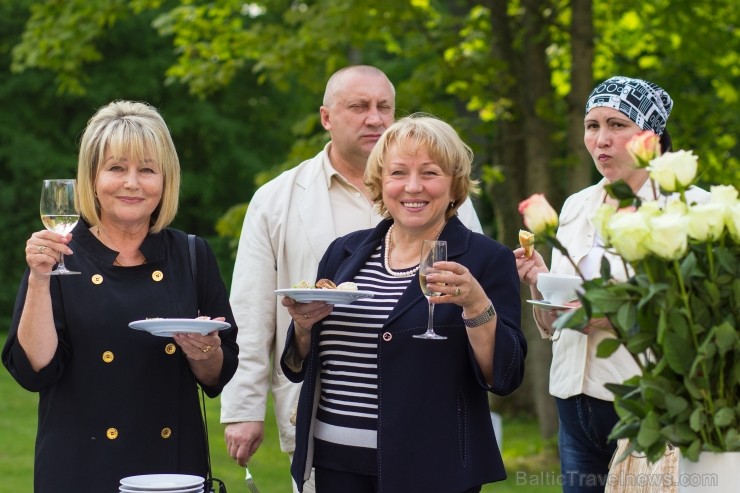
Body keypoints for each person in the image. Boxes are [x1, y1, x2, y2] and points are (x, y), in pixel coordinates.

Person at [220, 65, 483, 492]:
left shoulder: (441, 194)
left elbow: (475, 284)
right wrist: (243, 409)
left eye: (385, 107)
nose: (375, 118)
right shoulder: (276, 199)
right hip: (327, 416)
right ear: (326, 117)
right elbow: (250, 312)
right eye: (359, 107)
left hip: (427, 416)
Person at [279, 113, 526, 493]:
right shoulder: (343, 253)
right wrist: (303, 326)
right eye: (398, 173)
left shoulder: (485, 259)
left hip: (432, 469)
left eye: (430, 173)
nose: (413, 187)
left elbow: (504, 376)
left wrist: (477, 307)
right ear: (380, 182)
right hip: (335, 463)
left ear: (455, 184)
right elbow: (301, 364)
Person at [1, 100, 239, 493]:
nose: (132, 182)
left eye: (147, 169)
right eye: (116, 168)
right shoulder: (57, 257)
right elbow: (34, 371)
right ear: (91, 178)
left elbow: (219, 374)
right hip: (81, 470)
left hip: (171, 471)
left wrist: (205, 352)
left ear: (166, 180)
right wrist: (40, 280)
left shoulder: (192, 254)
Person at [514, 76, 710, 493]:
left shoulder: (692, 210)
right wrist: (539, 283)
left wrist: (611, 319)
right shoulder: (575, 206)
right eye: (592, 125)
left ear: (650, 136)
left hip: (646, 410)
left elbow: (702, 323)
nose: (601, 139)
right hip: (573, 406)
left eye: (617, 125)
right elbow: (553, 325)